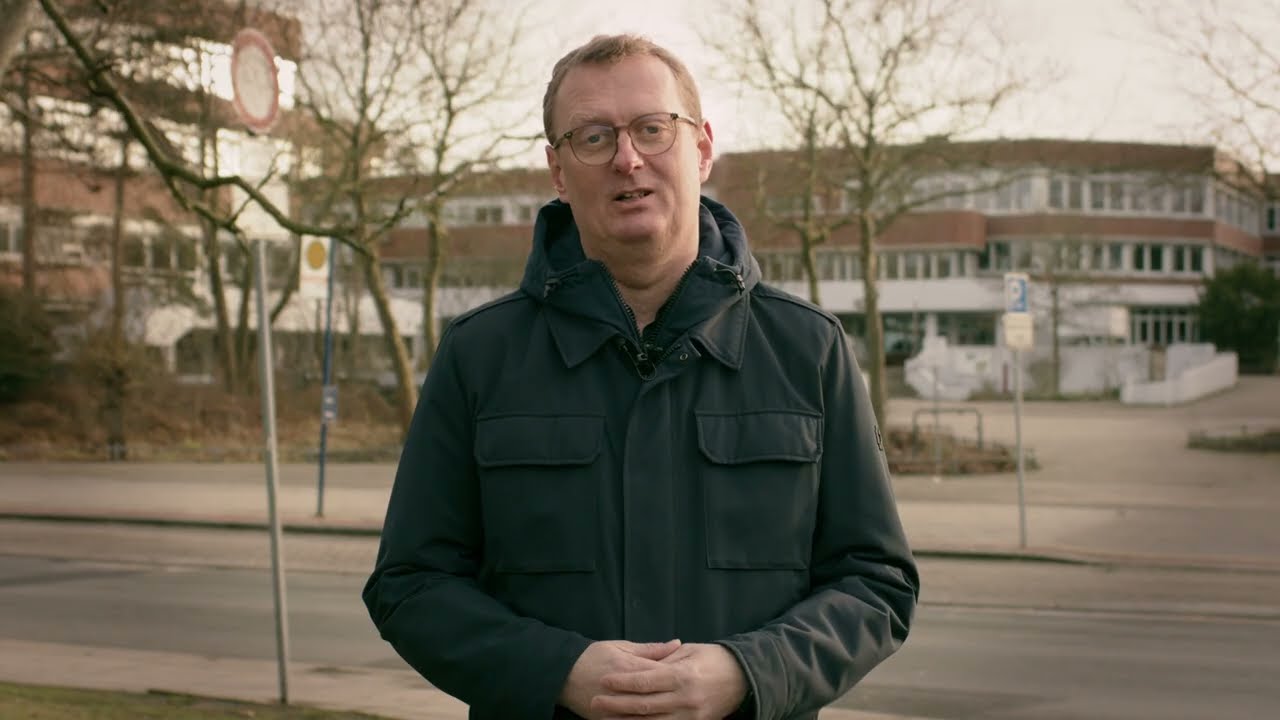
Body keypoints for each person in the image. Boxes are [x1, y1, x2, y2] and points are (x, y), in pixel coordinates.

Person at [363, 33, 919, 720]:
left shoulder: (809, 350)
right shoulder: (480, 355)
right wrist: (557, 670)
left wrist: (749, 671)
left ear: (702, 147)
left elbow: (876, 583)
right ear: (558, 172)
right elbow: (410, 584)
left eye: (652, 129)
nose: (628, 158)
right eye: (593, 137)